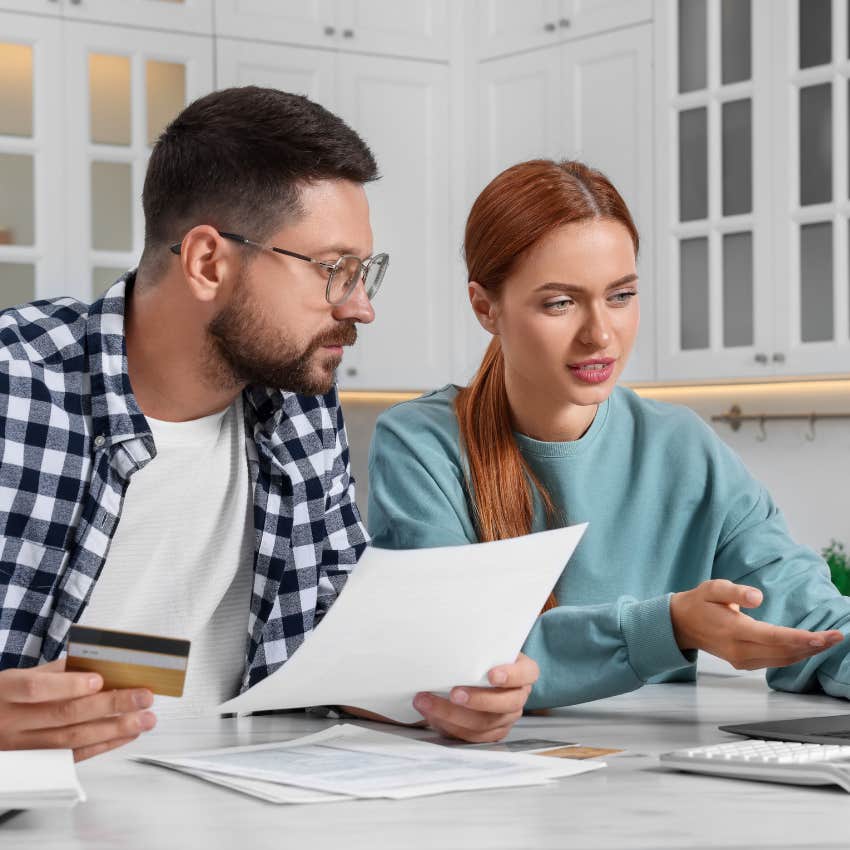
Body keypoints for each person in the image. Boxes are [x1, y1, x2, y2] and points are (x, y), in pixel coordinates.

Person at [0, 87, 537, 760]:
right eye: (335, 270)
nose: (362, 307)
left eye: (365, 271)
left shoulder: (300, 406)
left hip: (244, 800)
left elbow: (330, 644)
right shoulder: (16, 389)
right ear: (207, 262)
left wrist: (444, 696)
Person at [367, 158, 850, 711]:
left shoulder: (682, 447)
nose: (600, 334)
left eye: (621, 296)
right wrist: (667, 627)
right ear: (485, 307)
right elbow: (449, 653)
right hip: (491, 773)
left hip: (660, 779)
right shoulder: (421, 444)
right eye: (560, 303)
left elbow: (815, 623)